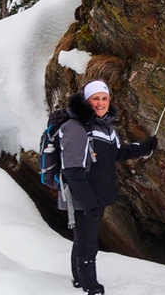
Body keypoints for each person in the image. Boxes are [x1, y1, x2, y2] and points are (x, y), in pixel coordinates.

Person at [58, 80, 158, 295]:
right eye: (95, 98)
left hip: (98, 194)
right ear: (86, 100)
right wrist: (88, 202)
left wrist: (144, 147)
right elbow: (72, 170)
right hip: (82, 195)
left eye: (104, 98)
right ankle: (90, 286)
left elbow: (116, 153)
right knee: (88, 242)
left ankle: (79, 279)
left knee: (83, 238)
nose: (100, 103)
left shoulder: (105, 126)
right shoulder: (76, 127)